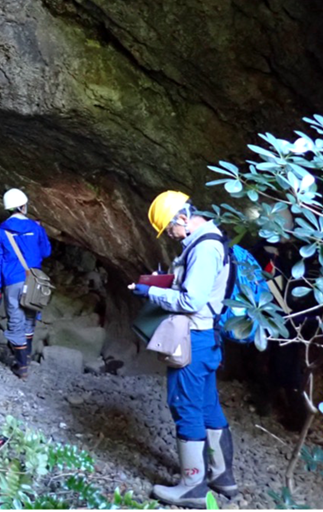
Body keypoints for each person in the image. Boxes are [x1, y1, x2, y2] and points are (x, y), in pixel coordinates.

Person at [130, 190, 237, 508]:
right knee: (207, 406)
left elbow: (191, 301)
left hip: (194, 340)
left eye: (170, 228)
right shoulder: (209, 242)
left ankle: (192, 487)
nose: (171, 235)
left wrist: (149, 292)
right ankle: (222, 477)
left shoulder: (203, 249)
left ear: (183, 218)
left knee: (185, 406)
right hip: (206, 338)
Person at [0, 188, 51, 380]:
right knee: (30, 318)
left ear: (8, 209)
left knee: (15, 320)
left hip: (12, 281)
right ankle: (28, 357)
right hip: (33, 281)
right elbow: (46, 252)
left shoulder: (1, 232)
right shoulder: (36, 228)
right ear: (24, 206)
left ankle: (22, 367)